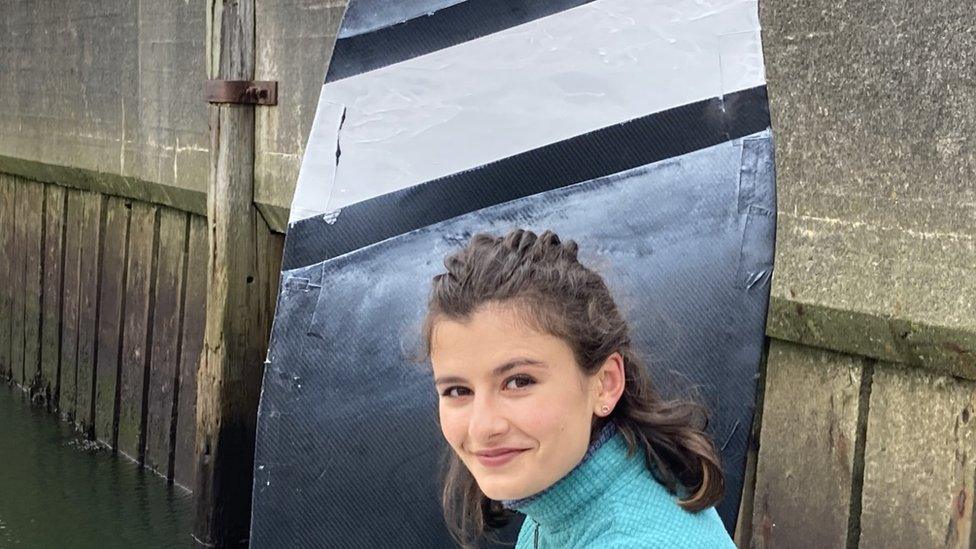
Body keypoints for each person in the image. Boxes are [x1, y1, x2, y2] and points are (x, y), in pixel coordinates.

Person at [421, 228, 735, 548]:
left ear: (605, 384)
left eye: (518, 382)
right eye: (458, 391)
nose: (482, 427)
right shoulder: (567, 494)